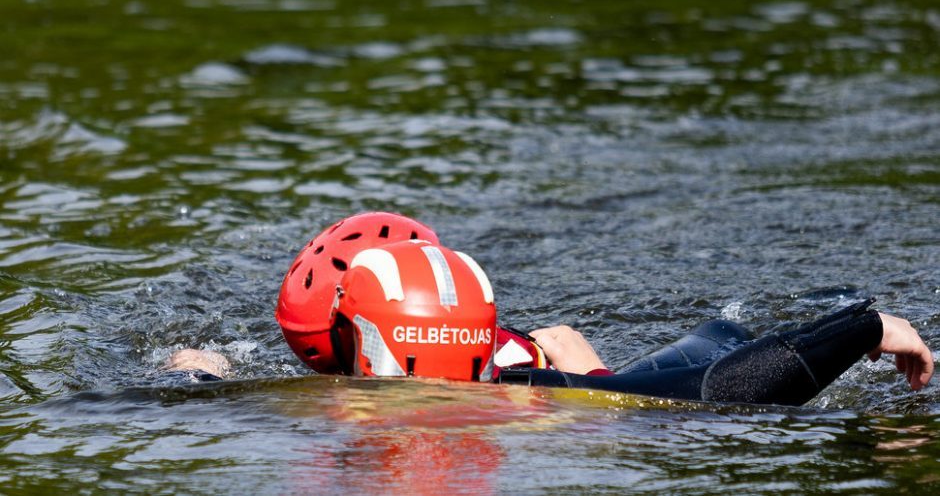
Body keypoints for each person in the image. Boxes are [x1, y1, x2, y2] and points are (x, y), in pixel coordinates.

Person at [165, 212, 933, 405]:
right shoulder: (523, 390)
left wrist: (200, 372)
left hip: (631, 376)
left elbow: (719, 392)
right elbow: (568, 341)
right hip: (595, 382)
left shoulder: (322, 413)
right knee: (717, 333)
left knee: (721, 332)